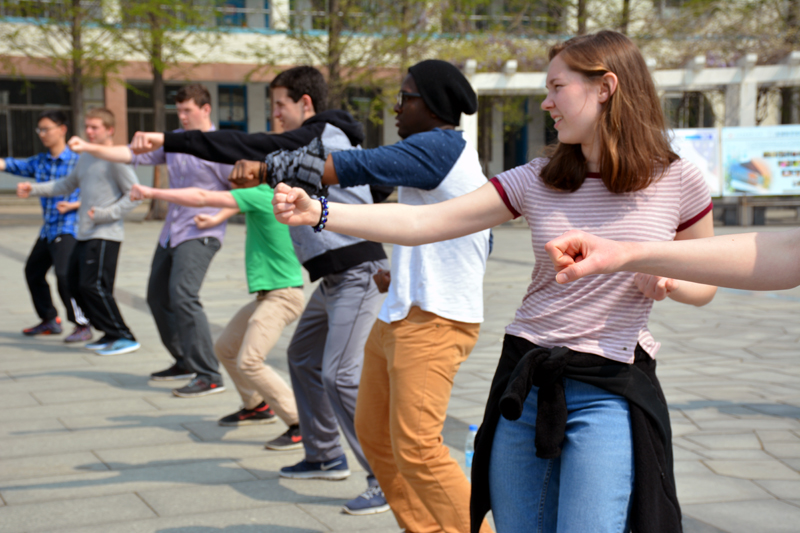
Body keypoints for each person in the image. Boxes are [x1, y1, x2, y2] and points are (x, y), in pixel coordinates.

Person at [272, 31, 719, 533]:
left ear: (606, 87)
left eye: (557, 87)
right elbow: (423, 222)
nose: (546, 102)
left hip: (609, 390)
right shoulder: (538, 177)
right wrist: (320, 211)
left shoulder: (678, 180)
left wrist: (669, 281)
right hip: (524, 383)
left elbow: (705, 282)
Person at [125, 67, 392, 516]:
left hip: (358, 273)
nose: (275, 115)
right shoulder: (328, 140)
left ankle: (384, 478)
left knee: (339, 375)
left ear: (306, 103)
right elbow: (377, 187)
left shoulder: (321, 135)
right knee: (302, 357)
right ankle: (325, 455)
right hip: (334, 277)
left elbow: (245, 144)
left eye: (280, 106)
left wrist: (171, 140)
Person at [254, 59, 492, 533]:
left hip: (435, 321)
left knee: (418, 447)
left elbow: (358, 166)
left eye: (405, 97)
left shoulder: (440, 145)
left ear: (433, 105)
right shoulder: (439, 156)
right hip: (401, 312)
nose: (396, 108)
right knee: (375, 434)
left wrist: (272, 166)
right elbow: (461, 234)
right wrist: (402, 274)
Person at [69, 84, 234, 397]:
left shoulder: (221, 145)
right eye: (179, 110)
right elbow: (128, 154)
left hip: (202, 232)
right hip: (171, 232)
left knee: (183, 295)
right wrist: (89, 147)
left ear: (205, 109)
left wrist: (217, 217)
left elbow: (241, 193)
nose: (182, 116)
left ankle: (209, 374)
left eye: (187, 110)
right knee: (157, 298)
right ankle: (183, 361)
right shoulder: (173, 142)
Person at [128, 180, 306, 446]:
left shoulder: (261, 194)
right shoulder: (262, 197)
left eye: (241, 169)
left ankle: (300, 423)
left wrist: (151, 192)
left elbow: (202, 196)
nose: (234, 177)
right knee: (225, 348)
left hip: (283, 297)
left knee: (250, 361)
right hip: (267, 296)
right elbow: (232, 205)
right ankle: (256, 406)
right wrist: (216, 219)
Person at [17, 108, 141, 355]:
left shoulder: (115, 159)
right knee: (74, 283)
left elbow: (135, 194)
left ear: (110, 130)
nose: (89, 131)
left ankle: (123, 335)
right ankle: (107, 333)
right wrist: (33, 189)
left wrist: (105, 214)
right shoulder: (86, 158)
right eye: (87, 127)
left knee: (93, 285)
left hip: (105, 233)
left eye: (95, 127)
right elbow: (66, 184)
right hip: (84, 232)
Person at [1, 110, 91, 342]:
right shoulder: (40, 162)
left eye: (46, 129)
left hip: (70, 227)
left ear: (62, 130)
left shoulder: (79, 160)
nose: (42, 134)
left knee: (64, 275)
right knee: (33, 272)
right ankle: (49, 319)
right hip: (48, 229)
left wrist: (75, 205)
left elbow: (98, 192)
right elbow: (11, 165)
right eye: (39, 130)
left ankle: (82, 323)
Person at [545, 228, 800, 291]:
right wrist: (626, 254)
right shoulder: (533, 175)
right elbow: (790, 250)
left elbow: (790, 251)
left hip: (618, 364)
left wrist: (672, 284)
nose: (546, 110)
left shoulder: (679, 175)